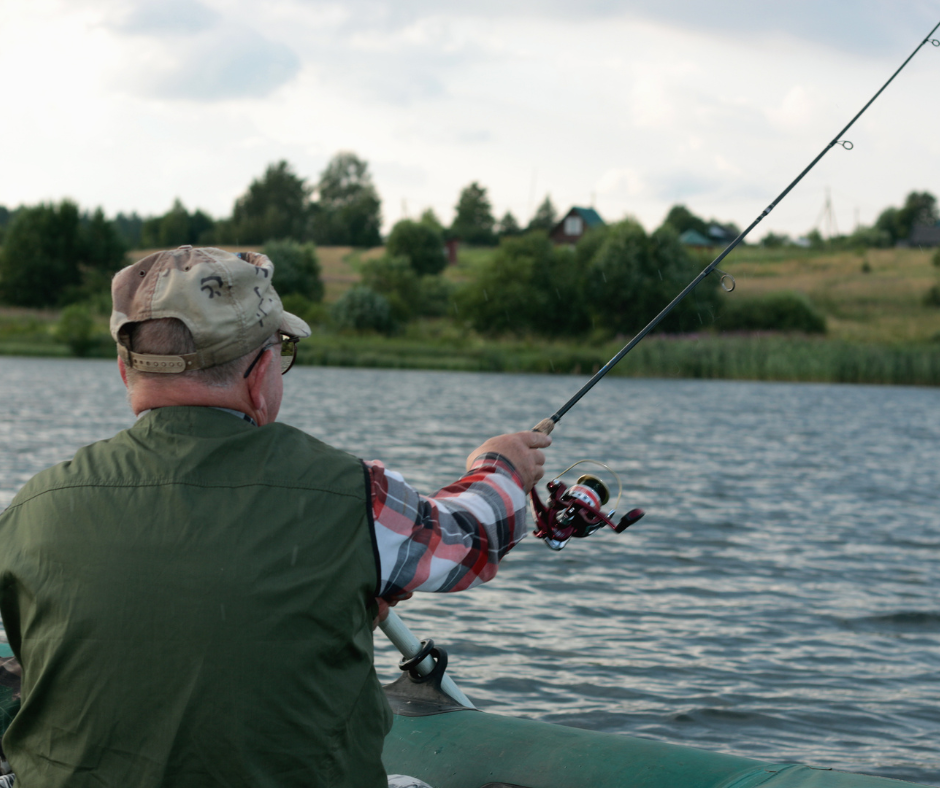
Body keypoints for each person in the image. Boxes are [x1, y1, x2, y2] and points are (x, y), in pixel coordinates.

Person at [0, 246, 550, 788]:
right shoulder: (358, 496)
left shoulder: (31, 508)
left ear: (125, 370)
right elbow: (470, 539)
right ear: (262, 370)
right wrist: (501, 466)